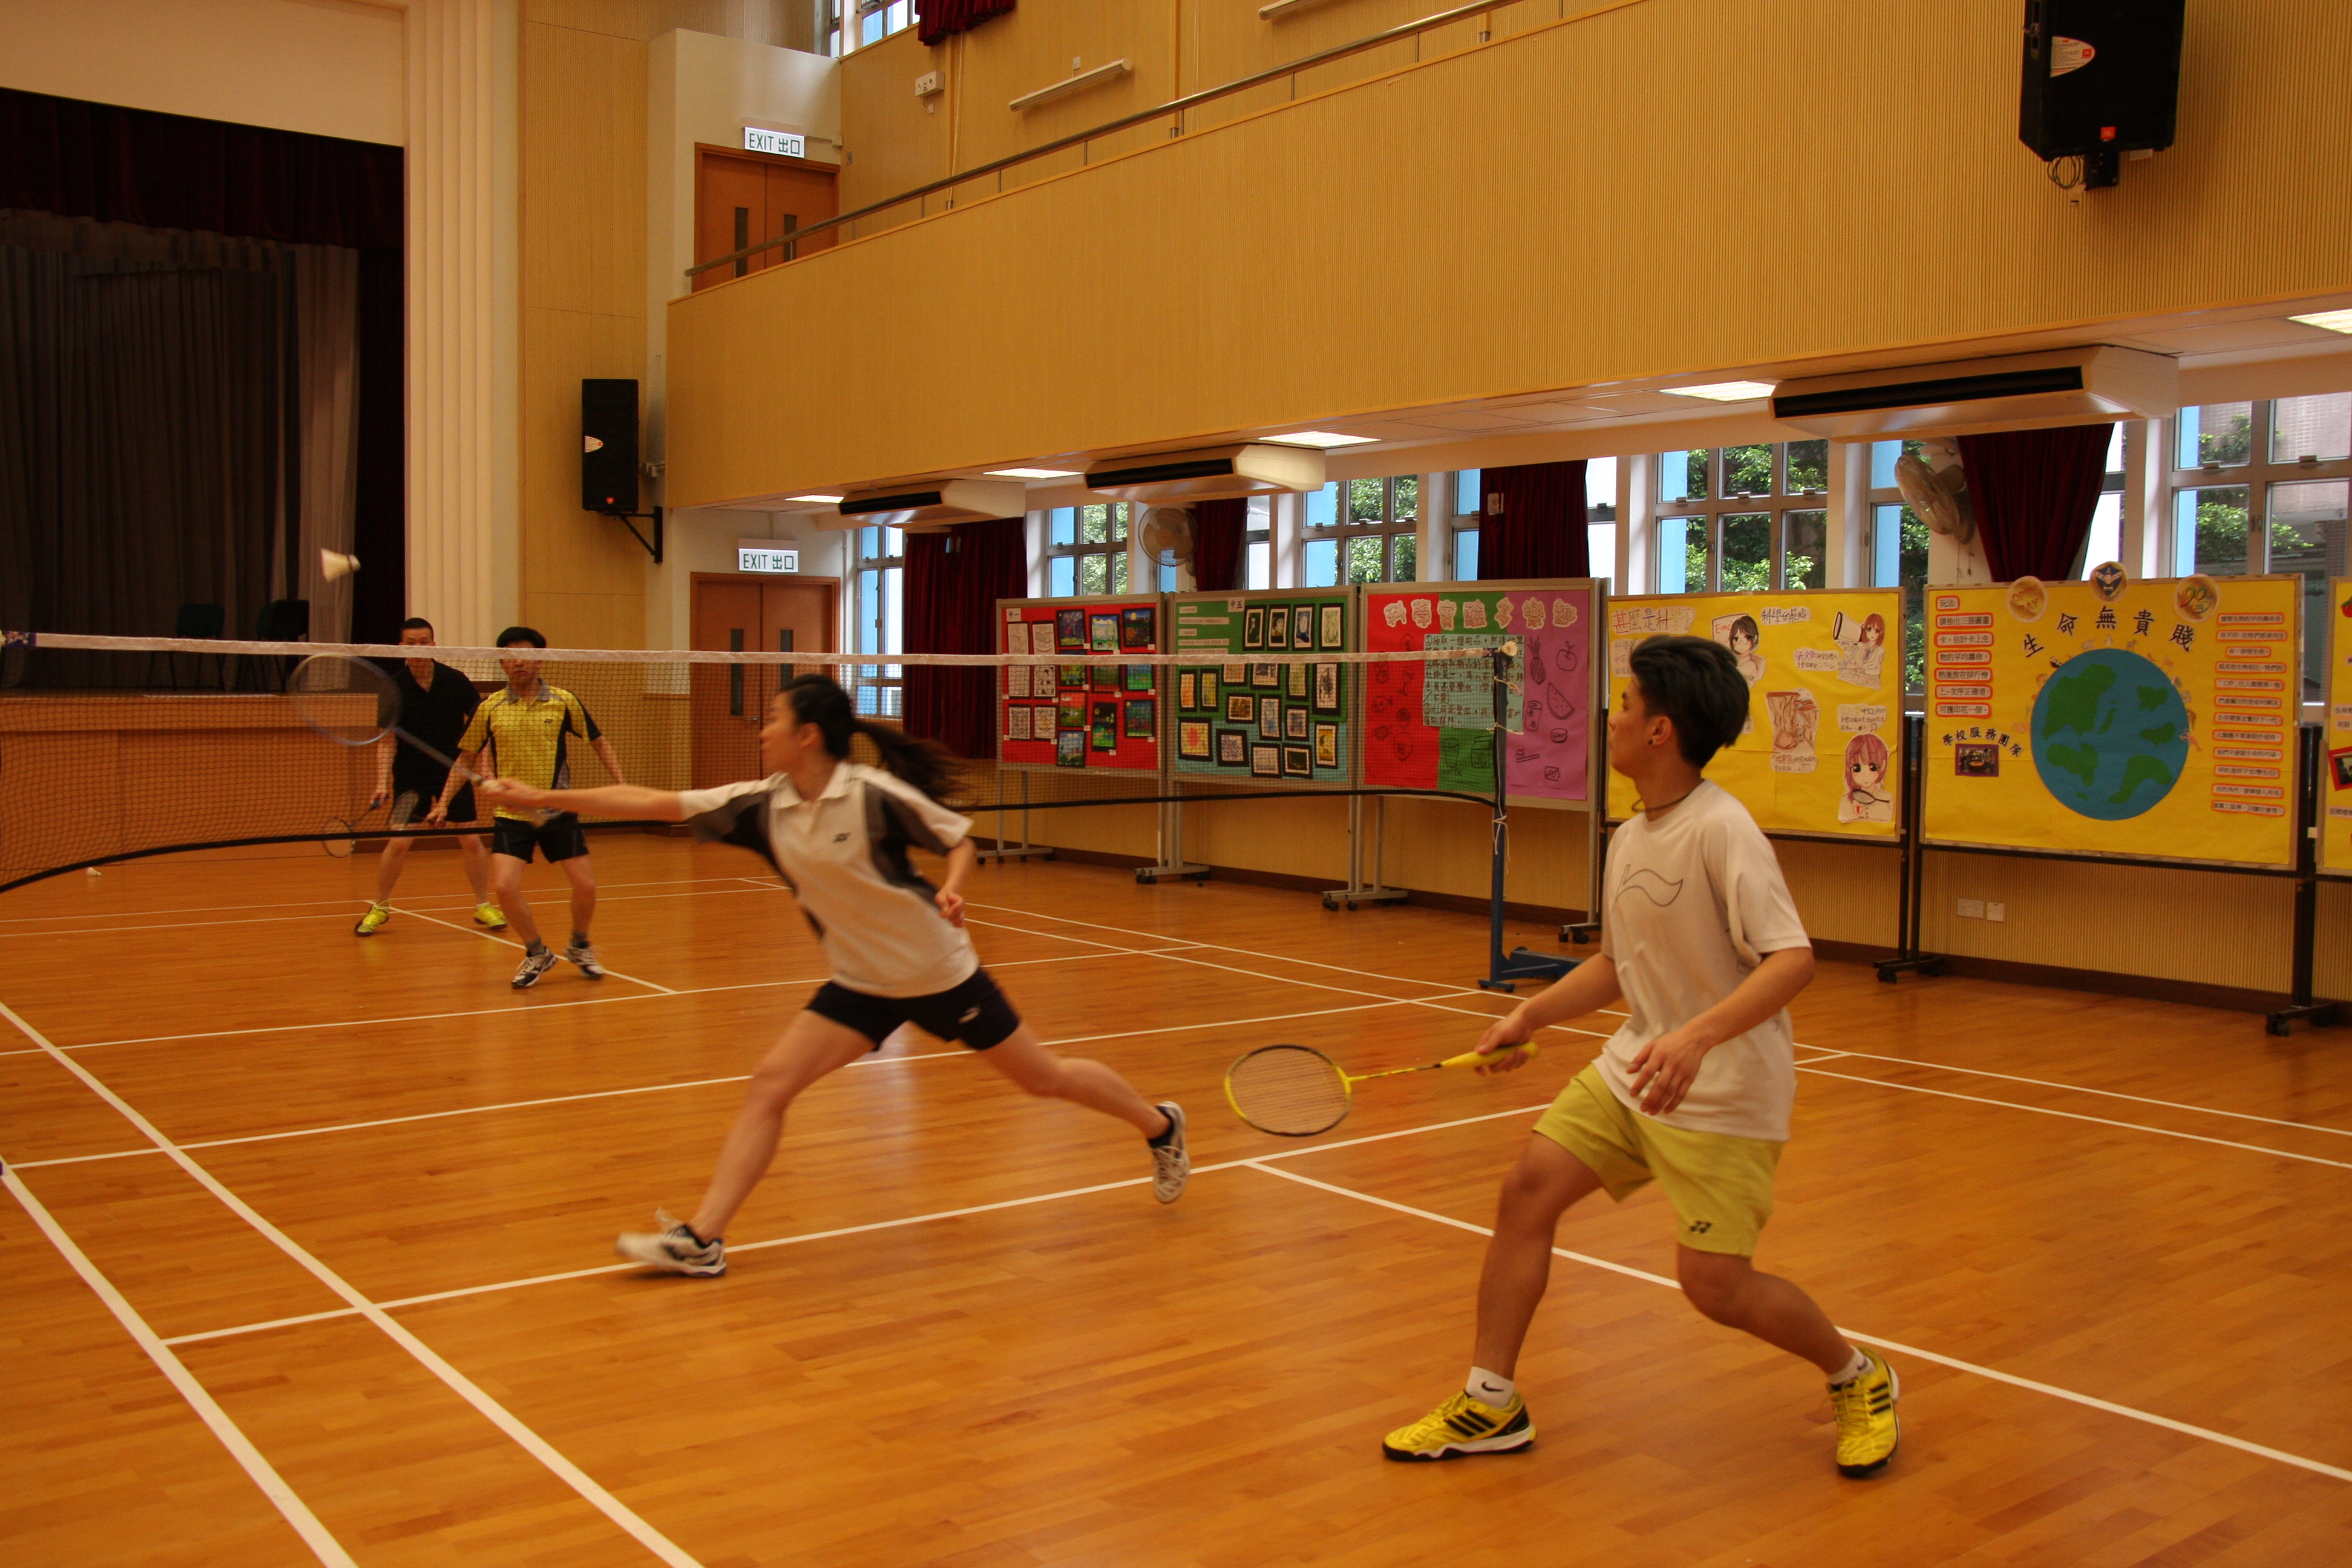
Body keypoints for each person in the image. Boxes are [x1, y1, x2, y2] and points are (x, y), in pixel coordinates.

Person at [1381, 635, 1898, 1478]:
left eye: (1624, 705)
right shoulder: (1631, 833)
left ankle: (1857, 1374)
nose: (1610, 718)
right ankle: (1491, 1400)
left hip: (1724, 1089)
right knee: (1527, 1192)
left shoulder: (1723, 830)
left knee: (1714, 1284)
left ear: (1660, 731)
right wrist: (1530, 1015)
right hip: (1635, 1070)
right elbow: (1620, 964)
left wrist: (1696, 1036)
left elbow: (1793, 960)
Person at [476, 673, 1189, 1276]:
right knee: (770, 1085)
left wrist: (953, 888)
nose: (763, 731)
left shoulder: (872, 794)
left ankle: (1159, 1126)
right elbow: (653, 802)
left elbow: (959, 840)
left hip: (938, 973)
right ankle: (702, 1239)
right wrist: (539, 798)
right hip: (861, 982)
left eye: (774, 720)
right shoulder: (763, 806)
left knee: (1043, 1079)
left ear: (808, 735)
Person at [437, 626, 624, 989]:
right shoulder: (489, 707)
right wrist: (444, 803)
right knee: (505, 888)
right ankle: (537, 952)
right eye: (511, 656)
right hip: (512, 814)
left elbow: (599, 742)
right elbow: (467, 757)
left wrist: (621, 784)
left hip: (557, 808)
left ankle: (579, 945)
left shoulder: (563, 700)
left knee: (586, 886)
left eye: (526, 655)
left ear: (540, 660)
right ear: (502, 663)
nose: (519, 662)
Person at [353, 617, 503, 936]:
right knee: (399, 843)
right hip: (410, 777)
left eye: (424, 642)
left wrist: (485, 768)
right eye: (411, 643)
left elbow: (480, 729)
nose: (418, 648)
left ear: (434, 645)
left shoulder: (456, 680)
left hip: (454, 773)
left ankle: (483, 904)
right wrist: (381, 783)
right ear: (401, 648)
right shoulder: (392, 687)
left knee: (471, 840)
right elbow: (387, 740)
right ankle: (380, 906)